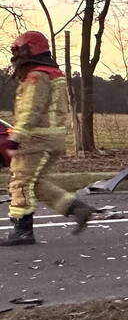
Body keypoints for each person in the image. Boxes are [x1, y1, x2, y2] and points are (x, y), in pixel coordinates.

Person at [2, 31, 94, 246]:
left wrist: (16, 137)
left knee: (21, 183)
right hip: (49, 139)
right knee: (35, 184)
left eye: (18, 51)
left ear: (30, 50)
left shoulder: (37, 76)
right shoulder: (52, 73)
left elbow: (30, 110)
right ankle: (78, 209)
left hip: (36, 139)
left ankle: (22, 231)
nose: (15, 57)